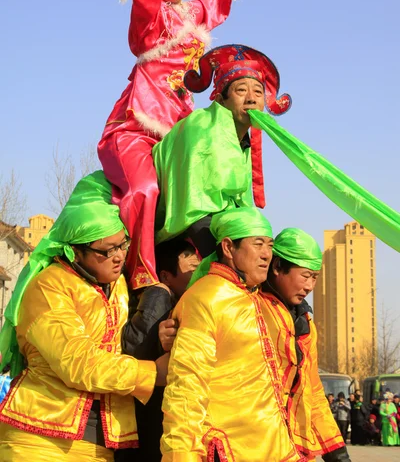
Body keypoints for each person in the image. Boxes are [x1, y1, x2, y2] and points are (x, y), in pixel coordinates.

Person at [98, 0, 244, 289]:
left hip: (178, 127)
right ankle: (139, 275)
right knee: (146, 189)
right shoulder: (152, 19)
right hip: (137, 126)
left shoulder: (195, 14)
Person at [0, 171, 169, 461]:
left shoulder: (116, 286)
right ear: (75, 253)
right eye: (107, 250)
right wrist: (153, 373)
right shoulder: (48, 287)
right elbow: (78, 363)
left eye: (122, 244)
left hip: (100, 444)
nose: (119, 255)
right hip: (39, 439)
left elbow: (123, 343)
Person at [161, 207, 303, 462]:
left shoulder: (262, 301)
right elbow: (186, 388)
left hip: (277, 449)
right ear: (228, 248)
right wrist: (180, 455)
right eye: (257, 244)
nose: (266, 255)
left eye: (270, 246)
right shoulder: (206, 298)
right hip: (230, 449)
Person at [153, 43, 291, 255]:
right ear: (220, 99)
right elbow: (196, 204)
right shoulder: (200, 126)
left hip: (212, 224)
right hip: (183, 219)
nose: (252, 99)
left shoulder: (241, 141)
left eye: (258, 92)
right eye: (241, 90)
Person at [260, 228, 350, 461]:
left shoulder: (306, 323)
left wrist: (337, 454)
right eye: (305, 275)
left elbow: (313, 391)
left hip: (292, 448)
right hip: (252, 444)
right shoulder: (249, 309)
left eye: (315, 277)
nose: (310, 286)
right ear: (277, 267)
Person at [119, 238, 200, 462]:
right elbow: (136, 347)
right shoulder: (159, 295)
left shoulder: (179, 299)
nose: (197, 275)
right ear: (165, 276)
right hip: (151, 415)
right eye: (192, 269)